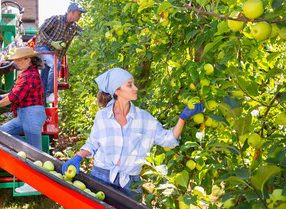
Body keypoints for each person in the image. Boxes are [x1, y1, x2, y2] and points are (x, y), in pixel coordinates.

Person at [62, 68, 204, 200]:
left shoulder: (144, 118)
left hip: (130, 183)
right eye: (130, 85)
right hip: (101, 176)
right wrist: (77, 158)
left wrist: (182, 118)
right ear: (116, 90)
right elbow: (92, 144)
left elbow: (169, 139)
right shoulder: (102, 116)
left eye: (134, 84)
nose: (135, 88)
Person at [0, 46, 47, 194]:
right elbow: (13, 92)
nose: (17, 62)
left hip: (31, 114)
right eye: (16, 60)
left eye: (19, 60)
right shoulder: (25, 74)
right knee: (0, 133)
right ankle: (27, 151)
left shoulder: (30, 75)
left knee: (34, 153)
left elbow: (14, 97)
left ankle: (34, 184)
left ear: (28, 59)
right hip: (25, 114)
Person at [35, 2, 87, 103]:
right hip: (43, 49)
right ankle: (50, 94)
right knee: (55, 64)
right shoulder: (56, 19)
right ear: (72, 12)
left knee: (45, 77)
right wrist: (52, 42)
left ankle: (42, 102)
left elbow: (87, 34)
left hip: (53, 55)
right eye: (79, 14)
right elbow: (40, 31)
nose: (80, 16)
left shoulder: (74, 27)